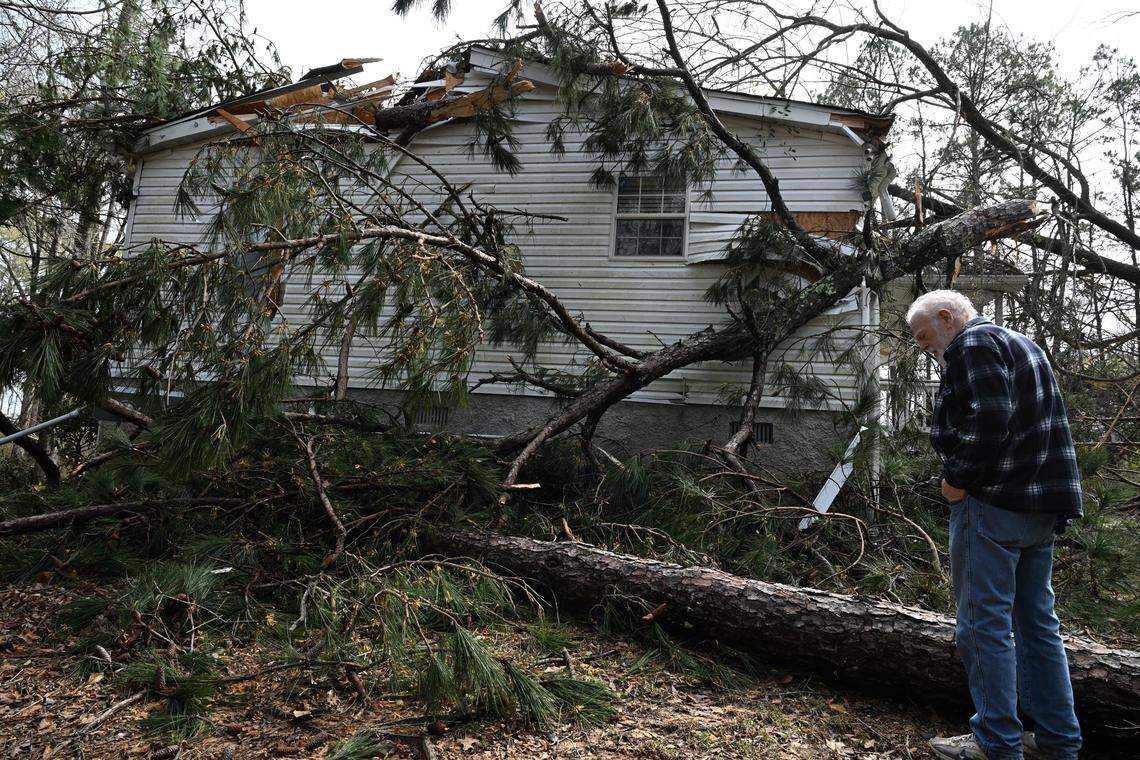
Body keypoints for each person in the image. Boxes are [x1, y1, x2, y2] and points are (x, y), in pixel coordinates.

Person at [906, 290, 1083, 760]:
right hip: (1039, 505)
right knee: (1037, 625)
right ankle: (1057, 741)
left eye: (925, 336)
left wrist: (957, 478)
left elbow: (991, 418)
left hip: (994, 502)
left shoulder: (973, 343)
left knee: (982, 627)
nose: (926, 347)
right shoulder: (1022, 342)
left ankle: (997, 742)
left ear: (946, 317)